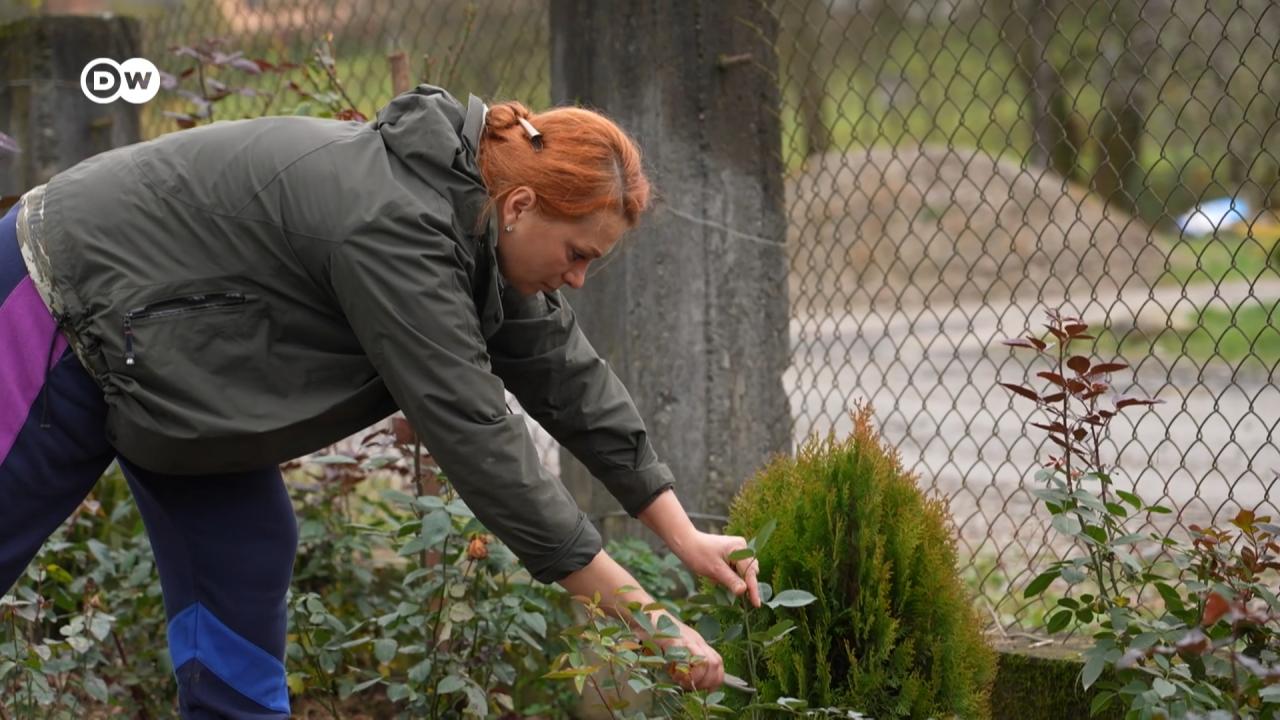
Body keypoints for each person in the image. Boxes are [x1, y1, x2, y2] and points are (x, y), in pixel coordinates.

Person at [0, 84, 760, 718]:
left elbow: (566, 374)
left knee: (244, 548)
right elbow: (481, 443)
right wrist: (652, 621)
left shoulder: (472, 218)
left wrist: (681, 534)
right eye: (578, 254)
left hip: (173, 358)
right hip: (59, 292)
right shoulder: (397, 227)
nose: (579, 279)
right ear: (523, 203)